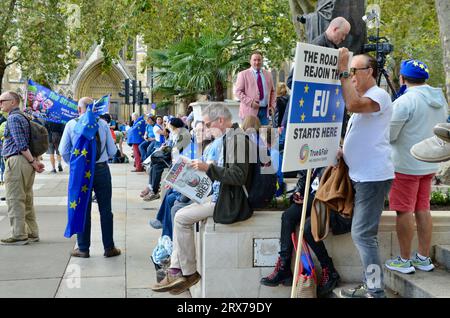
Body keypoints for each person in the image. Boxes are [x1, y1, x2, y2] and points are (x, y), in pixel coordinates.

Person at [152, 103, 253, 293]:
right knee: (179, 213)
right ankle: (176, 270)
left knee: (181, 218)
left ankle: (188, 273)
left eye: (208, 125)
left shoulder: (238, 140)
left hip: (229, 201)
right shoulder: (229, 139)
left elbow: (239, 176)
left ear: (220, 121)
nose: (206, 129)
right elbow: (223, 173)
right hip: (219, 195)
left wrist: (208, 168)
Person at [337, 51, 394, 298]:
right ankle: (370, 286)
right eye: (348, 73)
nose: (351, 77)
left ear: (369, 72)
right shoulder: (366, 96)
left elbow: (351, 105)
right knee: (363, 234)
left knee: (362, 234)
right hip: (362, 176)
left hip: (373, 177)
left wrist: (340, 71)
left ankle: (375, 290)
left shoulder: (379, 95)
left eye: (353, 72)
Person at [385, 60, 448, 274]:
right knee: (423, 209)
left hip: (405, 165)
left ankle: (404, 260)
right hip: (428, 163)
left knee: (404, 212)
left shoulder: (404, 102)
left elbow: (390, 135)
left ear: (402, 78)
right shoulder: (440, 99)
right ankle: (423, 257)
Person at [59, 97, 121, 258]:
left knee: (82, 208)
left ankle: (83, 248)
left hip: (81, 173)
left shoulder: (71, 124)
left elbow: (63, 150)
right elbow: (113, 151)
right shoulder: (103, 124)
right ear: (94, 109)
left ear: (79, 109)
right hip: (101, 170)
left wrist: (76, 165)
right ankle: (109, 247)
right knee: (106, 210)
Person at [0, 91, 45, 245]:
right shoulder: (24, 116)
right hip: (25, 162)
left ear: (13, 102)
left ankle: (19, 235)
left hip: (17, 162)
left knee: (14, 199)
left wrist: (33, 162)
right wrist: (34, 161)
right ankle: (32, 233)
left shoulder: (13, 118)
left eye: (2, 101)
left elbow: (21, 144)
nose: (0, 104)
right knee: (26, 199)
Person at [286, 17, 351, 90]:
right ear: (335, 29)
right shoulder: (315, 47)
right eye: (343, 34)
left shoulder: (335, 48)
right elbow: (290, 81)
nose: (344, 38)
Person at [234, 51, 276, 125]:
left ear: (262, 61)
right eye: (254, 60)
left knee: (266, 135)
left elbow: (273, 91)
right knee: (250, 135)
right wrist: (250, 102)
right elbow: (238, 92)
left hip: (265, 112)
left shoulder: (268, 74)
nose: (257, 62)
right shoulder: (243, 74)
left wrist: (272, 105)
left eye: (259, 60)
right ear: (250, 61)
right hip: (249, 112)